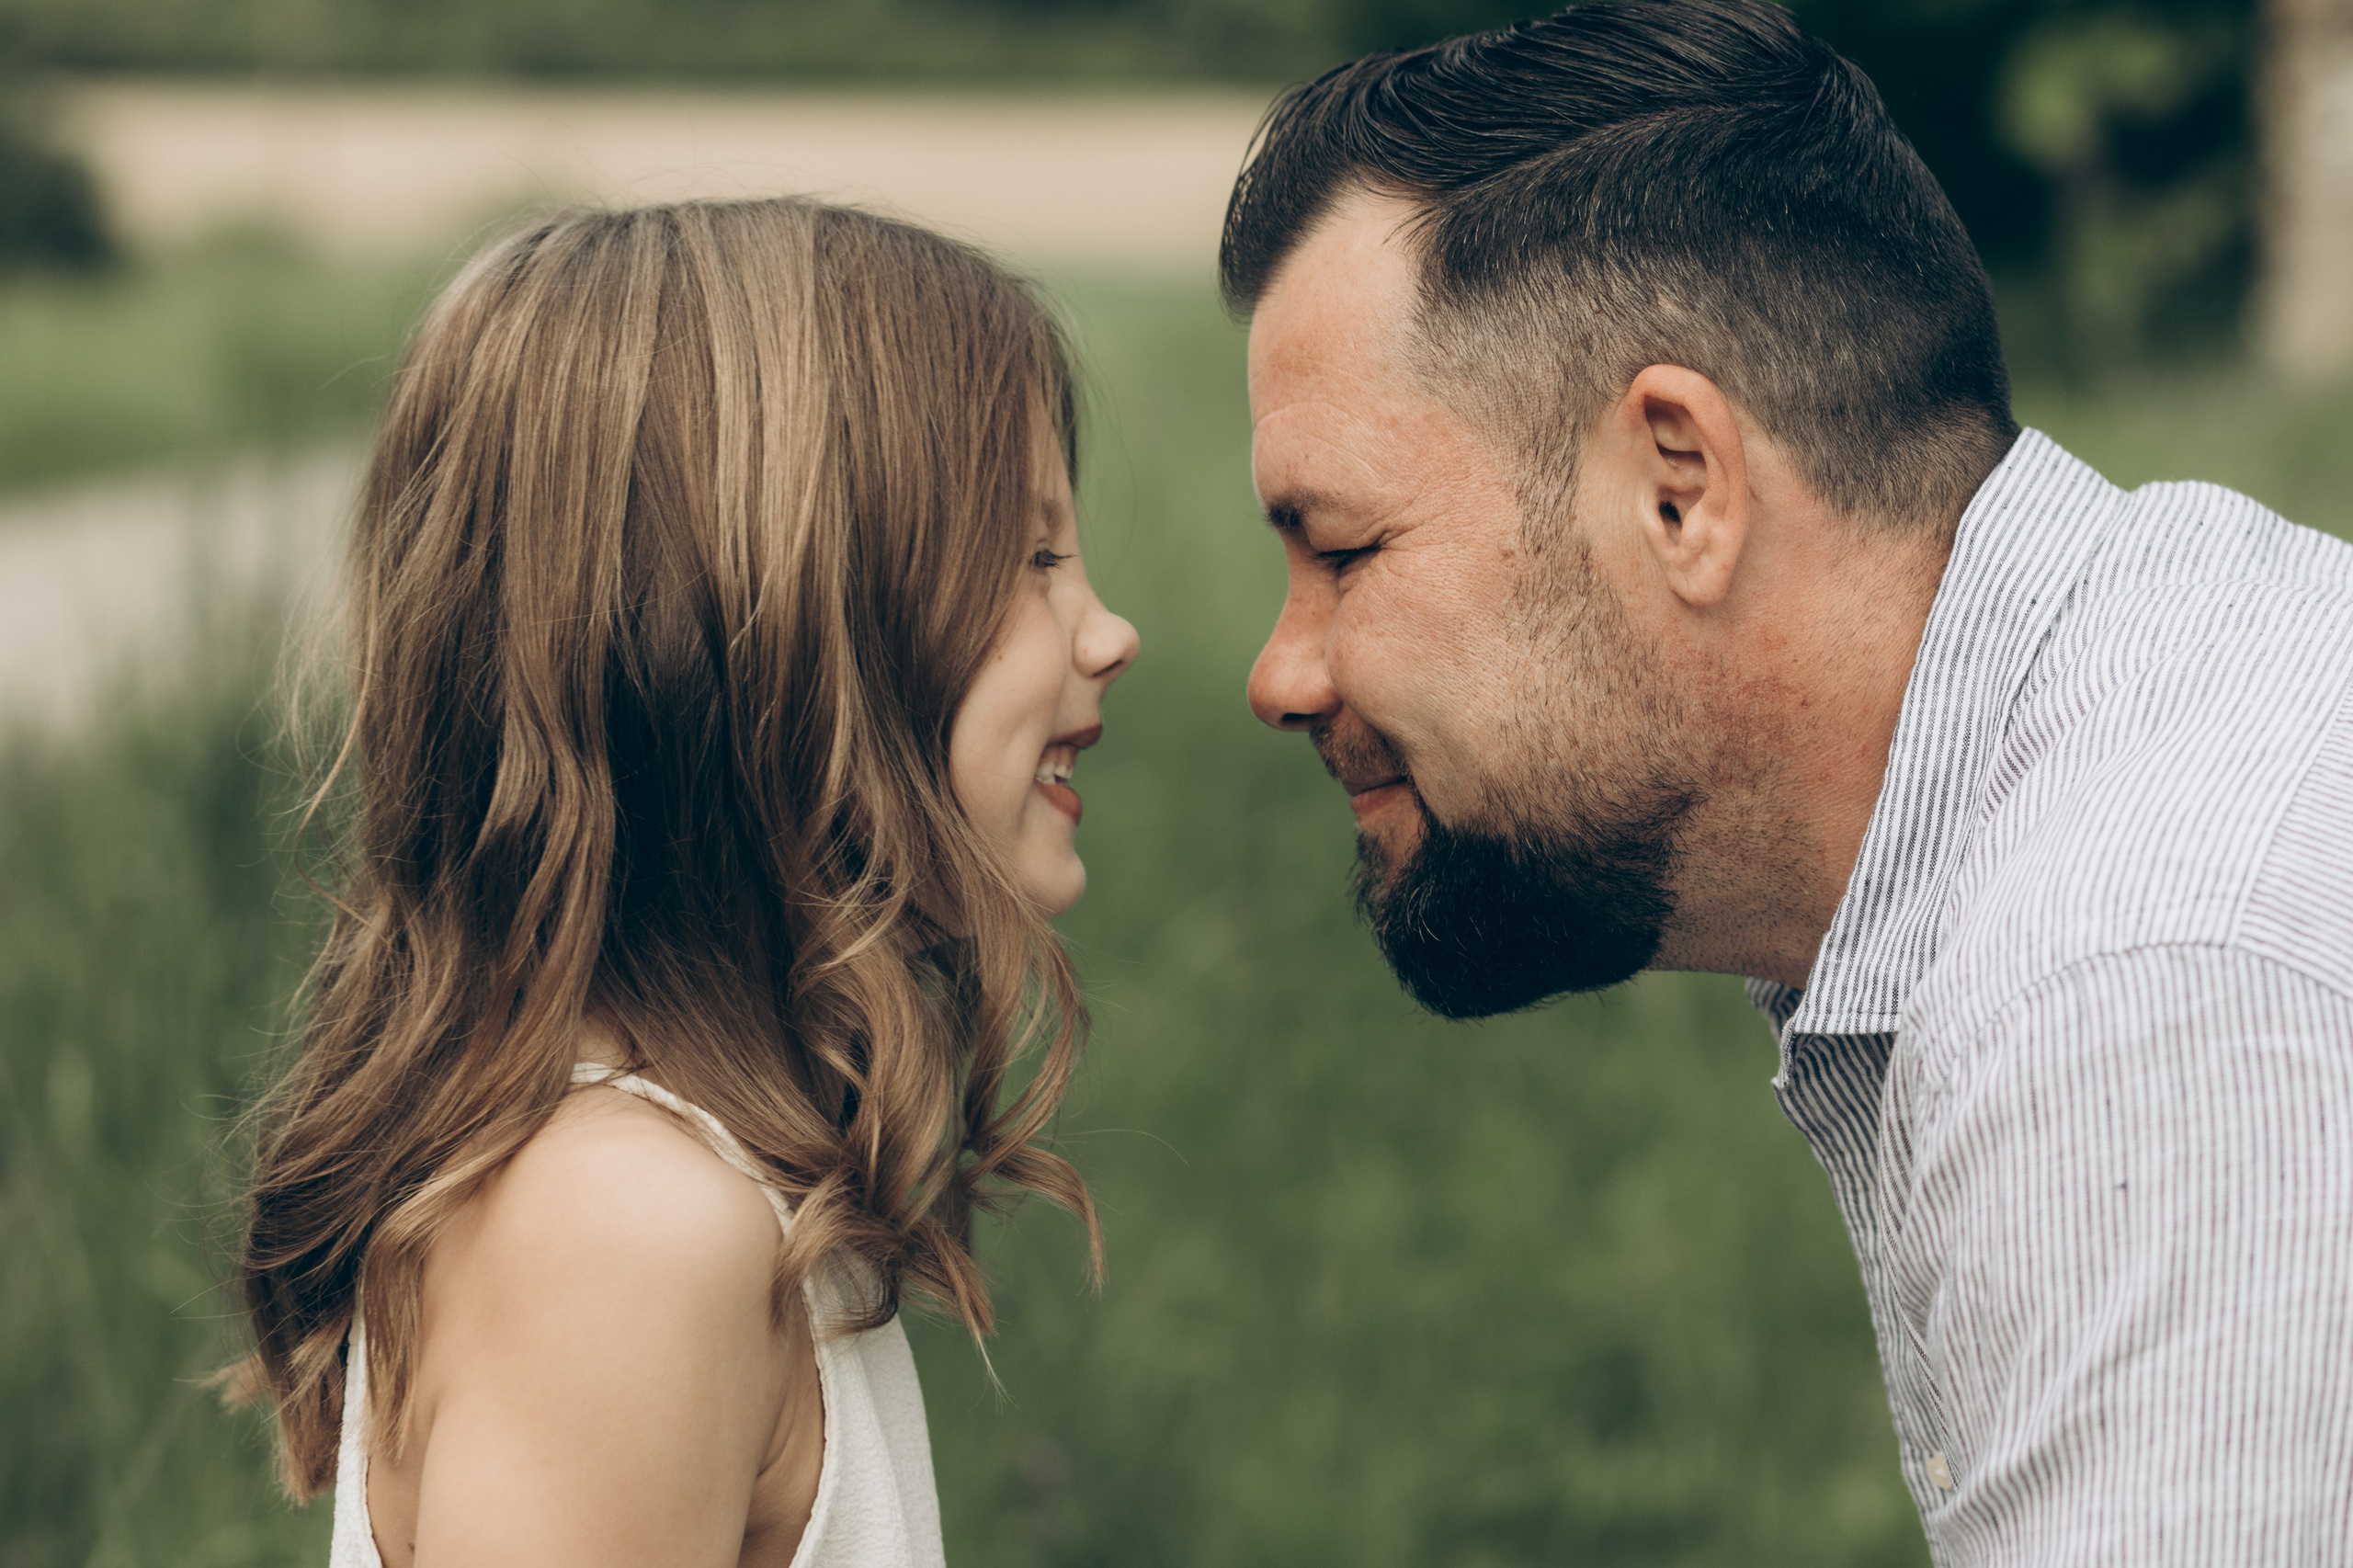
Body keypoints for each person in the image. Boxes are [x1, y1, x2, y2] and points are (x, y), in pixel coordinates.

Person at [1222, 0, 2353, 1560]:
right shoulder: (2168, 682)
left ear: (1681, 488)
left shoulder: (2135, 982)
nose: (1283, 673)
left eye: (1345, 550)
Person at [224, 198, 1138, 1567]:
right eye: (1036, 558)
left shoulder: (702, 1198)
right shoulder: (627, 1238)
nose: (1108, 631)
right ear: (785, 629)